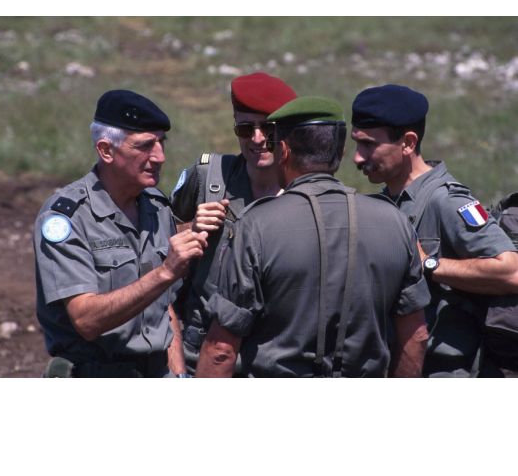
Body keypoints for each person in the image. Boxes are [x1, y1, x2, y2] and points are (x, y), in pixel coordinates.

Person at [196, 96, 430, 378]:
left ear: (282, 150)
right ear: (341, 152)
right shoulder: (395, 222)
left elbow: (221, 349)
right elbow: (415, 337)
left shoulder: (256, 225)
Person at [34, 89, 208, 377]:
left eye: (162, 143)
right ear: (106, 150)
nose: (160, 156)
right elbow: (86, 320)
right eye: (145, 146)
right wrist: (166, 271)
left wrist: (178, 376)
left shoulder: (156, 205)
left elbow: (164, 307)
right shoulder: (66, 217)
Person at [350, 83, 518, 377]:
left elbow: (511, 271)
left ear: (408, 142)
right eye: (356, 144)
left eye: (369, 145)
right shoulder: (388, 202)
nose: (357, 158)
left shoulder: (447, 201)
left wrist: (428, 263)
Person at [171, 71, 297, 374]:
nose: (257, 139)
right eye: (245, 128)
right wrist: (192, 228)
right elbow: (155, 241)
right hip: (200, 352)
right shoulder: (208, 176)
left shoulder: (305, 188)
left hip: (276, 358)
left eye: (269, 127)